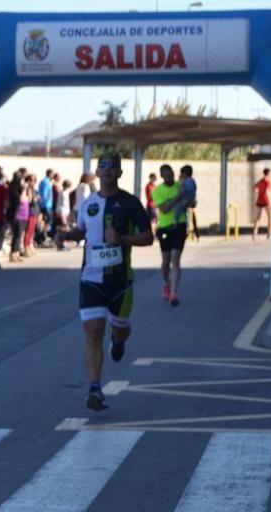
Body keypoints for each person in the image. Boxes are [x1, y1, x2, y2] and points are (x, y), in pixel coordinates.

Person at [59, 154, 153, 412]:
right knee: (93, 331)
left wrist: (122, 239)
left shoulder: (131, 203)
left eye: (113, 167)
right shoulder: (88, 203)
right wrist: (66, 235)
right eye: (103, 167)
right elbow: (81, 232)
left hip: (120, 279)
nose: (108, 171)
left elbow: (147, 237)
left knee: (119, 328)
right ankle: (94, 388)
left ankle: (120, 339)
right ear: (97, 173)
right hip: (91, 278)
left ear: (120, 173)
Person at [153, 164, 186, 306]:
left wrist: (187, 201)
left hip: (179, 225)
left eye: (171, 174)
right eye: (166, 175)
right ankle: (166, 283)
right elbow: (164, 209)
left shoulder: (180, 186)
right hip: (165, 227)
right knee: (166, 261)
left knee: (175, 259)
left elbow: (189, 202)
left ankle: (174, 293)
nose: (169, 177)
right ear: (162, 176)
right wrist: (178, 198)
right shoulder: (157, 190)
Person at [253, 168, 271, 240]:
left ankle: (254, 234)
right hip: (266, 201)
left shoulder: (261, 181)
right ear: (268, 173)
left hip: (259, 201)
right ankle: (269, 234)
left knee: (258, 218)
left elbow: (255, 187)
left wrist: (257, 194)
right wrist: (270, 203)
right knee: (270, 218)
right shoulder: (268, 181)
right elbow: (267, 192)